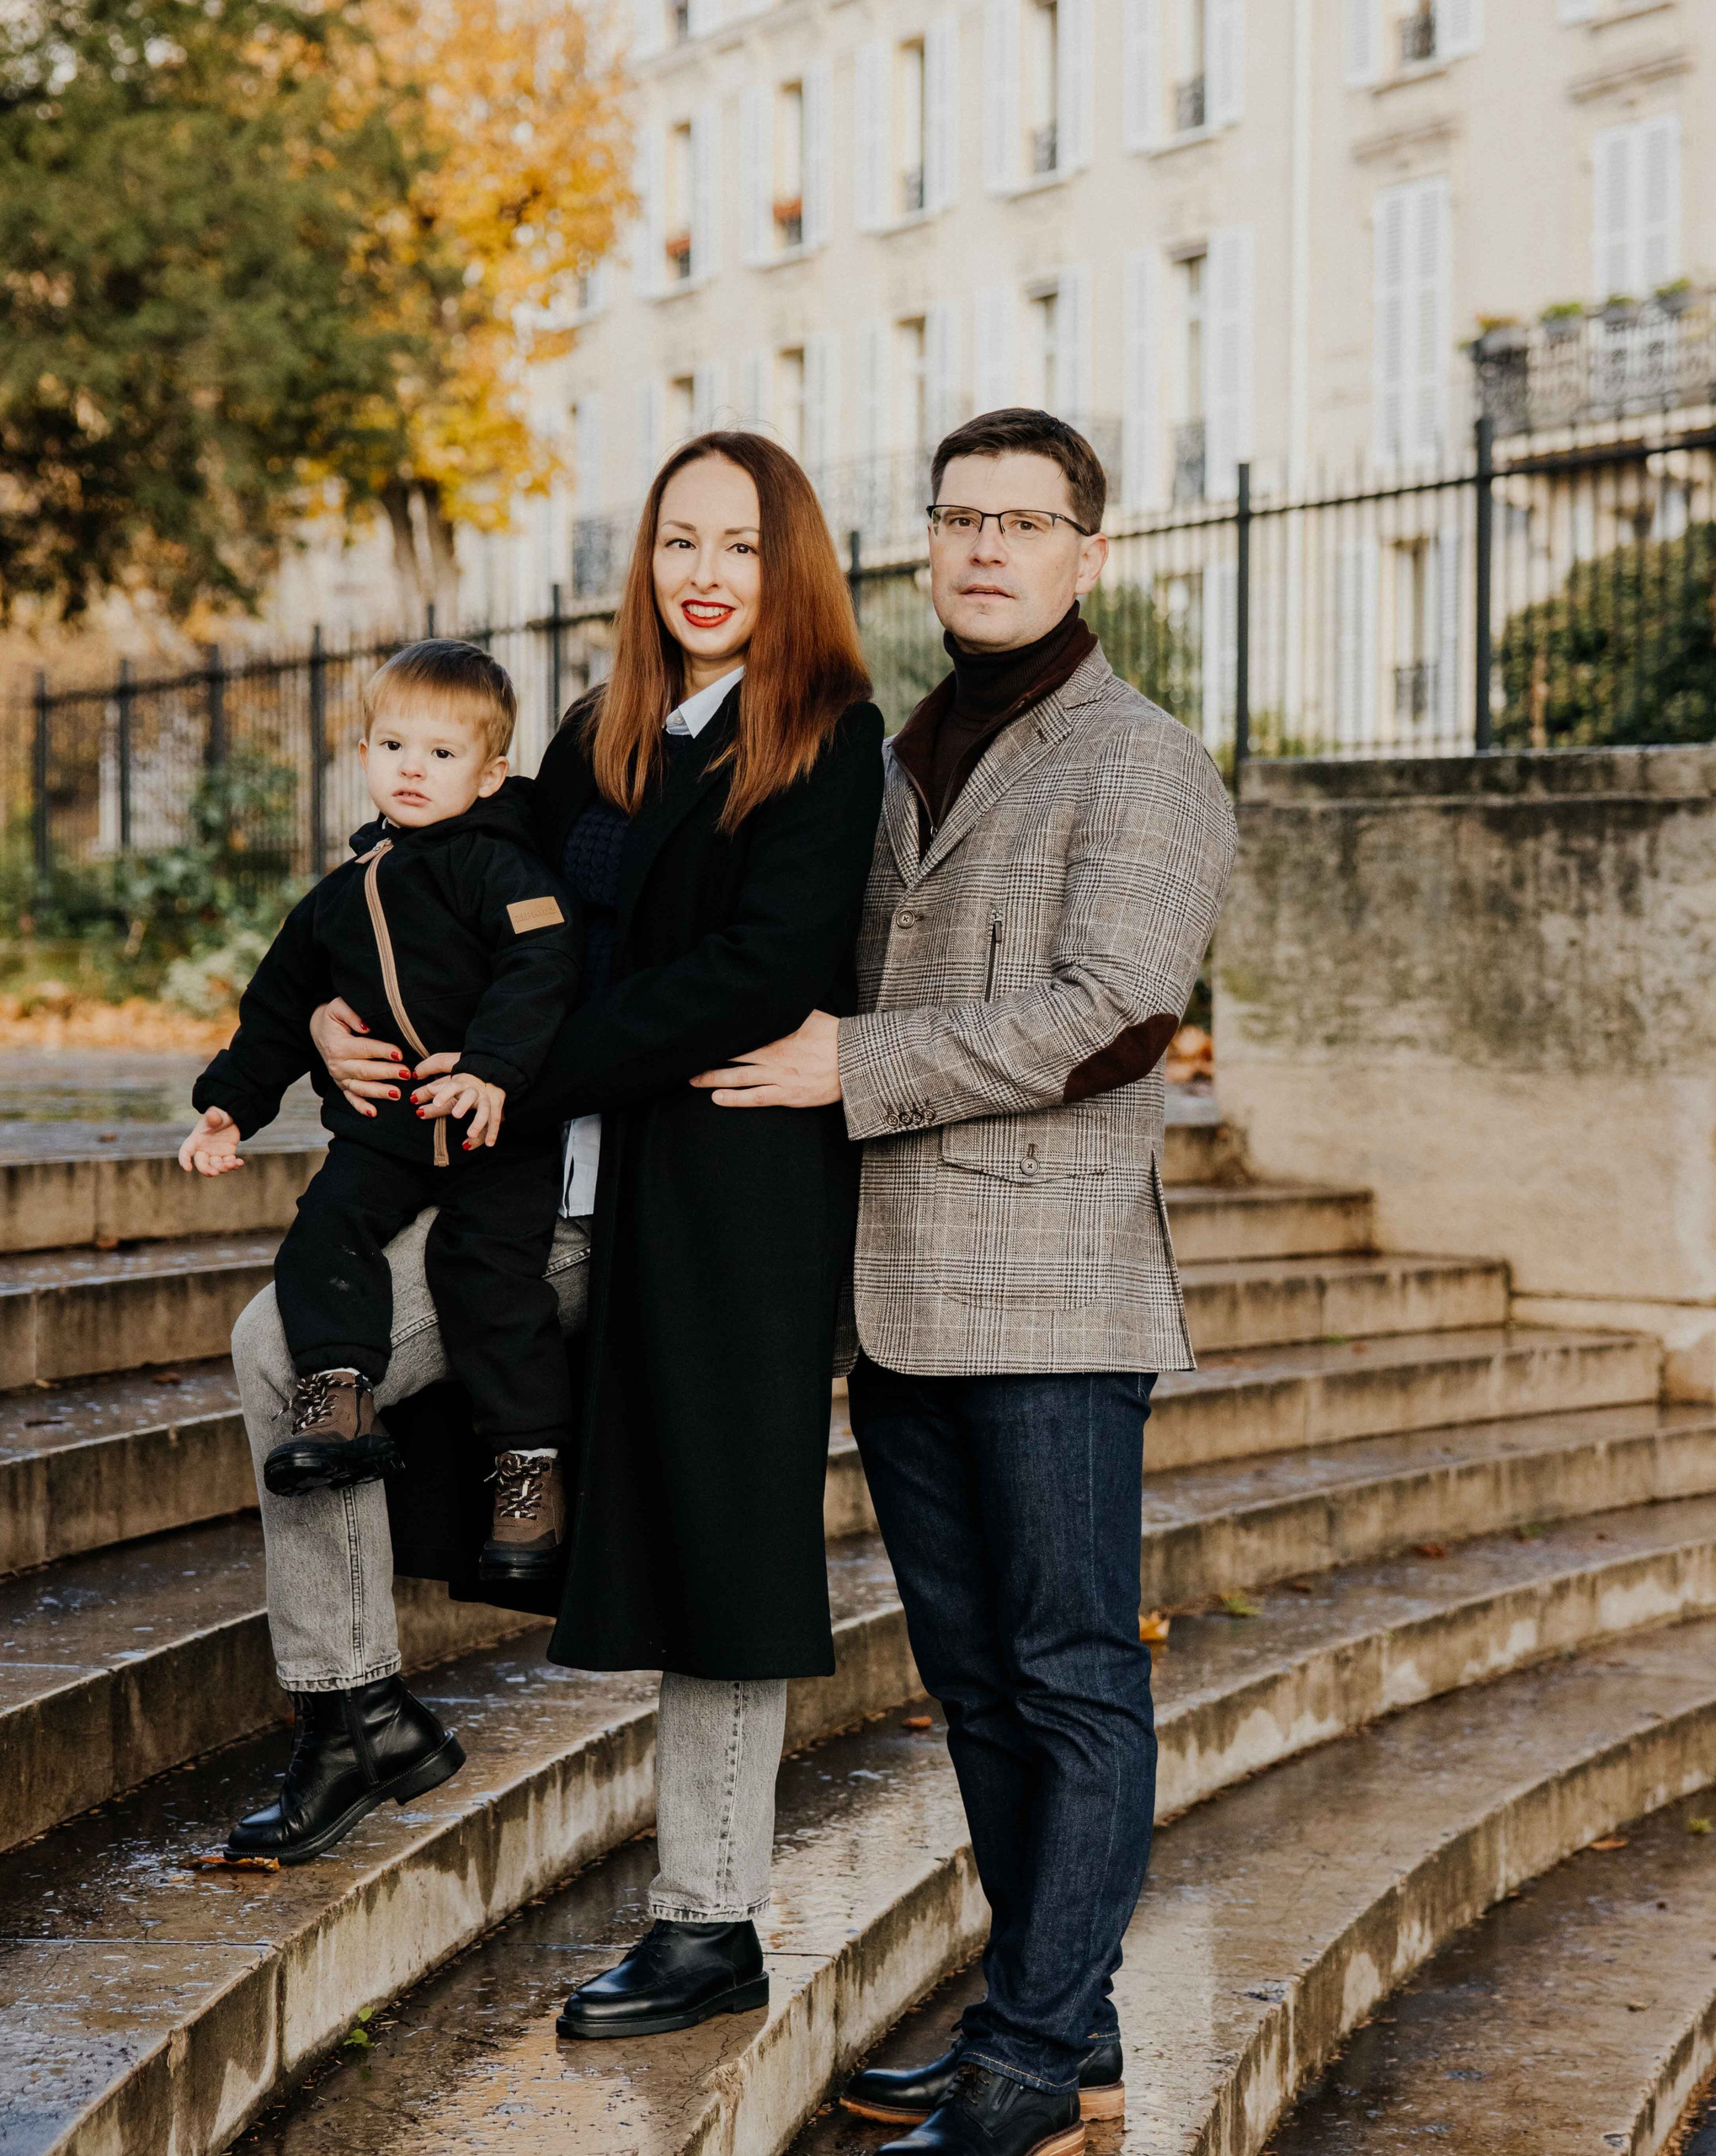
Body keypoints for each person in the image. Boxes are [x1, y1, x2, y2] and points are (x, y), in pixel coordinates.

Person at [221, 436, 884, 2049]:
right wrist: (334, 1012)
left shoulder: (827, 738)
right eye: (679, 541)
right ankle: (353, 1709)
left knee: (720, 1553)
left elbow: (757, 970)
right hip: (539, 1190)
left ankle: (709, 1922)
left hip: (716, 1200)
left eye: (740, 544)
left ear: (791, 563)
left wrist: (524, 1062)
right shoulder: (603, 730)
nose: (705, 573)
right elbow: (437, 857)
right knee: (287, 1345)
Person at [699, 408, 1238, 2156]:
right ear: (928, 547)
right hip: (899, 1293)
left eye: (1025, 521)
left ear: (1091, 551)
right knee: (981, 1683)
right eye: (960, 520)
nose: (987, 547)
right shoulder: (894, 751)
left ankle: (1028, 2058)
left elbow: (1114, 1013)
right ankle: (1061, 2030)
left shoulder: (1141, 760)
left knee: (1072, 1676)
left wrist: (852, 1063)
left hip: (1055, 1298)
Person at [181, 639, 584, 1605]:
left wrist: (492, 1067)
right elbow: (278, 1008)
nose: (412, 767)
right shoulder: (342, 892)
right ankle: (338, 1393)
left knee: (485, 1272)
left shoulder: (503, 868)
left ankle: (528, 1469)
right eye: (394, 745)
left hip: (496, 1133)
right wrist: (228, 1104)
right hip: (386, 1132)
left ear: (490, 773)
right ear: (363, 754)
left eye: (442, 753)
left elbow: (542, 969)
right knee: (325, 1232)